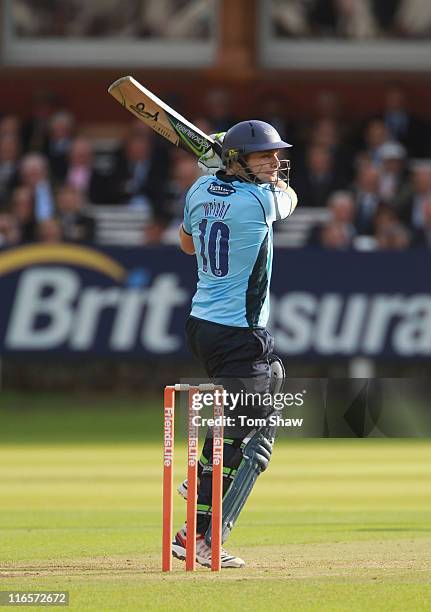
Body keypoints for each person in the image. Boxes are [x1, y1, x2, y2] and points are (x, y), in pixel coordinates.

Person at [171, 120, 298, 568]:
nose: (274, 163)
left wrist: (216, 171)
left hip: (202, 328)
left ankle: (196, 510)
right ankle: (203, 531)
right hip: (240, 335)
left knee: (271, 384)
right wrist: (239, 175)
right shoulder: (262, 200)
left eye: (274, 155)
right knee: (257, 439)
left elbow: (187, 245)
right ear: (237, 159)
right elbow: (291, 199)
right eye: (263, 156)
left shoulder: (197, 191)